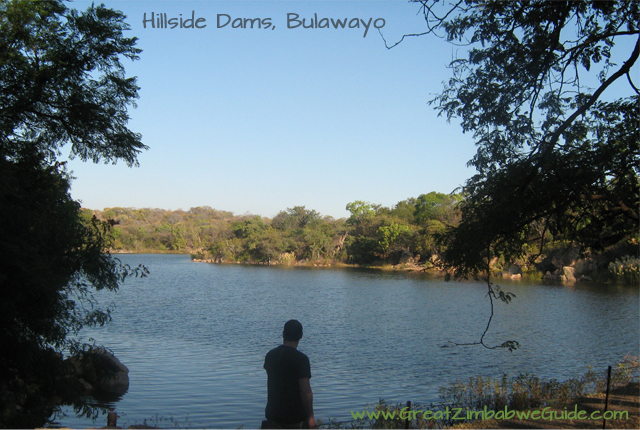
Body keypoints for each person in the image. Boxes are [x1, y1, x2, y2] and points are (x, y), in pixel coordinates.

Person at [263, 320, 315, 429]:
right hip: (294, 417)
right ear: (301, 336)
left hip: (273, 414)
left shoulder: (270, 355)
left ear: (283, 334)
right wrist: (310, 417)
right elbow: (305, 391)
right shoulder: (301, 359)